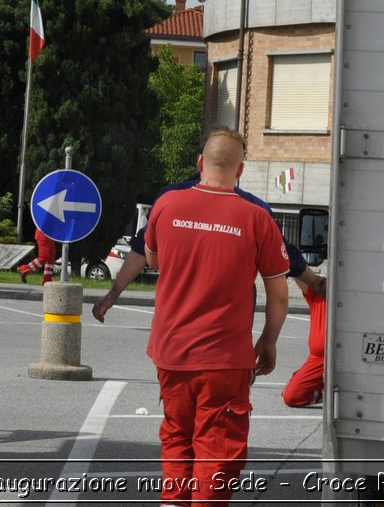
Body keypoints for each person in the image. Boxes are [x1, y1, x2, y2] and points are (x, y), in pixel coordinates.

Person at [144, 128, 289, 504]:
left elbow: (153, 260)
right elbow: (279, 296)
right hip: (225, 360)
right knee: (217, 451)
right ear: (241, 170)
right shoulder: (257, 218)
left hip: (171, 352)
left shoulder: (166, 205)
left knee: (177, 436)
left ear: (199, 163)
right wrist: (268, 342)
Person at [92, 166, 324, 324]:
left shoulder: (169, 200)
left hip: (176, 332)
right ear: (238, 169)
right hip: (232, 335)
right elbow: (285, 261)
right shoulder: (256, 209)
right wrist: (314, 281)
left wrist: (113, 294)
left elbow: (142, 250)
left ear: (200, 161)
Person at [281, 277, 327, 408]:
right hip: (318, 361)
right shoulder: (321, 288)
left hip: (346, 359)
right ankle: (325, 394)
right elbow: (299, 273)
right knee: (292, 397)